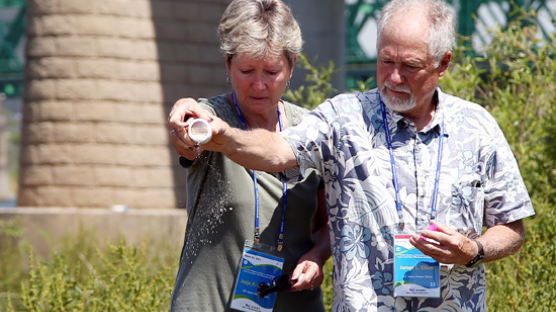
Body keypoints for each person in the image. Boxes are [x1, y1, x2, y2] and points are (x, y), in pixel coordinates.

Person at [170, 0, 536, 311]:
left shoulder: (478, 127)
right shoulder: (343, 118)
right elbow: (277, 150)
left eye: (409, 66)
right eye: (385, 61)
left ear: (442, 64)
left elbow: (513, 227)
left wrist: (474, 249)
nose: (393, 77)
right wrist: (224, 135)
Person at [167, 0, 330, 311]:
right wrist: (183, 124)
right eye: (246, 70)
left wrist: (317, 255)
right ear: (228, 65)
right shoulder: (211, 118)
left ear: (292, 66)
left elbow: (330, 222)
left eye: (271, 71)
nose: (259, 85)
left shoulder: (310, 130)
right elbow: (188, 141)